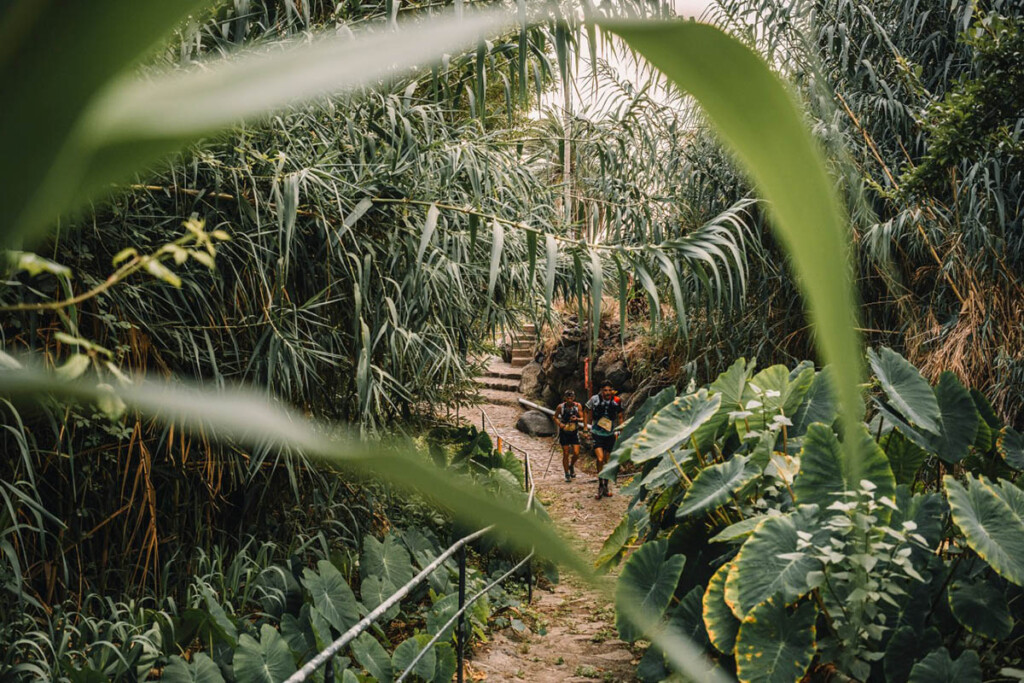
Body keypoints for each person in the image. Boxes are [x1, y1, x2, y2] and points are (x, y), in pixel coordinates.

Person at [586, 381, 623, 499]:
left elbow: (620, 415)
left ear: (612, 390)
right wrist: (586, 427)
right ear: (601, 390)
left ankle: (606, 485)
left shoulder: (616, 401)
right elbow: (586, 410)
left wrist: (621, 430)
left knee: (607, 461)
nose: (607, 393)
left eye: (609, 390)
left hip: (610, 434)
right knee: (600, 458)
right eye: (605, 390)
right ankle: (600, 484)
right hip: (597, 433)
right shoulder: (595, 399)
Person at [553, 390, 583, 482]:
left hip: (574, 431)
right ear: (565, 398)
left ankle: (571, 465)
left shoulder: (578, 406)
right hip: (564, 432)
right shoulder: (560, 407)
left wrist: (577, 418)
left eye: (571, 398)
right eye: (568, 398)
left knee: (576, 453)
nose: (570, 400)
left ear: (574, 398)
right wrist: (559, 424)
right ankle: (567, 473)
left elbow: (583, 418)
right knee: (565, 453)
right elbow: (555, 417)